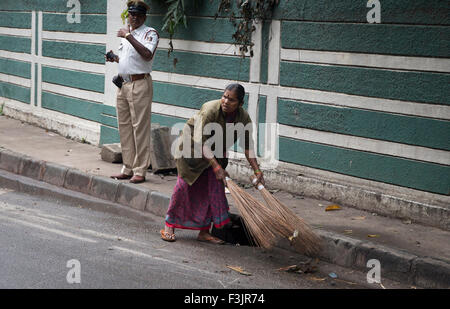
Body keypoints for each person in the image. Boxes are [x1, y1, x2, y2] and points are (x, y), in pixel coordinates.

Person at [160, 83, 265, 244]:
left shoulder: (243, 118)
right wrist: (216, 167)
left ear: (240, 104)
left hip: (215, 153)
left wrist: (257, 171)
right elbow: (200, 142)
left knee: (213, 190)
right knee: (183, 187)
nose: (225, 101)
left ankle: (204, 232)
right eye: (224, 96)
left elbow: (248, 146)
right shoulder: (210, 110)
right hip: (192, 150)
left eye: (231, 100)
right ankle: (169, 226)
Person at [106, 0, 159, 184]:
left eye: (137, 15)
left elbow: (147, 55)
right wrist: (115, 58)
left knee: (140, 128)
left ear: (144, 16)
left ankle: (140, 170)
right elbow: (131, 59)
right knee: (125, 127)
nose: (133, 18)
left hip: (140, 84)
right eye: (131, 14)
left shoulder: (149, 33)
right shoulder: (128, 35)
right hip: (123, 85)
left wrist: (128, 36)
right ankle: (127, 168)